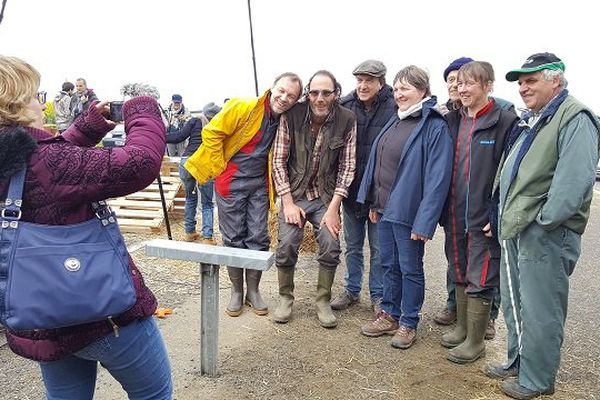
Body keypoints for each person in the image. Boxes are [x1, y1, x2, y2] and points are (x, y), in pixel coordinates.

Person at [0, 55, 172, 399]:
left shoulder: (13, 154)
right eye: (35, 95)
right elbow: (140, 163)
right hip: (104, 317)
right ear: (16, 102)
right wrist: (143, 107)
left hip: (45, 316)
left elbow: (45, 173)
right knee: (155, 395)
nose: (40, 101)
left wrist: (88, 127)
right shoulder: (46, 161)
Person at [483, 53, 600, 399]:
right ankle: (518, 361)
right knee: (517, 302)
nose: (522, 87)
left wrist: (544, 222)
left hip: (545, 233)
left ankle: (537, 379)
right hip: (519, 229)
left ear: (556, 80)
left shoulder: (575, 117)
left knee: (541, 308)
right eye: (520, 81)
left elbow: (574, 181)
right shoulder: (536, 120)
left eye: (531, 80)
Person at [185, 72, 303, 318]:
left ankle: (254, 291)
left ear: (296, 100)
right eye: (281, 91)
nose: (284, 98)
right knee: (233, 236)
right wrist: (219, 166)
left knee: (258, 235)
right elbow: (212, 132)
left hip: (259, 183)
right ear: (273, 87)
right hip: (231, 181)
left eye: (291, 96)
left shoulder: (285, 119)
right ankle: (237, 291)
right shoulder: (244, 105)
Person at [358, 65, 452, 349]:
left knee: (410, 268)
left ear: (423, 91)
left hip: (410, 213)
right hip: (385, 208)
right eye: (397, 88)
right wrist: (373, 200)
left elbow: (438, 179)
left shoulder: (433, 126)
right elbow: (379, 162)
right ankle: (390, 314)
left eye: (406, 88)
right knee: (389, 264)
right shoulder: (396, 120)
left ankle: (409, 322)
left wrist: (425, 222)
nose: (399, 94)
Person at [439, 61, 518, 364]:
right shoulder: (453, 120)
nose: (463, 88)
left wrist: (496, 212)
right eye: (459, 83)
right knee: (457, 266)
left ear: (488, 86)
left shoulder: (504, 121)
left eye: (471, 83)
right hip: (454, 211)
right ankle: (461, 327)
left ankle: (475, 341)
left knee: (481, 274)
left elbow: (512, 173)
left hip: (482, 216)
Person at [271, 70, 356, 328]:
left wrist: (333, 209)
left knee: (331, 244)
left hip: (325, 197)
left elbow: (347, 167)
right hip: (294, 194)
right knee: (287, 244)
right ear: (308, 94)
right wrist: (287, 202)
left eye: (326, 93)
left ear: (335, 94)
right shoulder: (292, 115)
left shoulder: (347, 119)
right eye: (315, 92)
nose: (320, 98)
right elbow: (278, 161)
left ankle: (323, 300)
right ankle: (285, 297)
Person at [328, 60, 396, 315]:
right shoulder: (345, 105)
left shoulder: (394, 106)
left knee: (379, 248)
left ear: (381, 82)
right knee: (353, 245)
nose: (363, 85)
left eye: (369, 80)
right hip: (352, 189)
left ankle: (378, 295)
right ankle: (351, 290)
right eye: (359, 80)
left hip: (380, 191)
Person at [166, 103, 221, 243]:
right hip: (203, 164)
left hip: (187, 162)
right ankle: (207, 237)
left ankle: (189, 233)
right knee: (207, 203)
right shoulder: (219, 124)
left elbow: (178, 137)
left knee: (190, 198)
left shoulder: (194, 121)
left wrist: (160, 136)